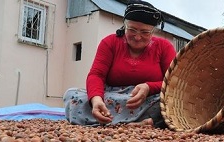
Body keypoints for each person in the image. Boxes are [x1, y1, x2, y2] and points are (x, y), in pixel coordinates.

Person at [64, 0, 177, 128]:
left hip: (148, 99)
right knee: (72, 95)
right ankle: (143, 123)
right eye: (132, 30)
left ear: (153, 31)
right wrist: (96, 100)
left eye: (145, 32)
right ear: (124, 26)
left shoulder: (164, 47)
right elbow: (96, 75)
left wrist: (149, 87)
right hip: (112, 96)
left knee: (170, 102)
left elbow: (172, 83)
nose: (138, 37)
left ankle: (116, 122)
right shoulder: (109, 43)